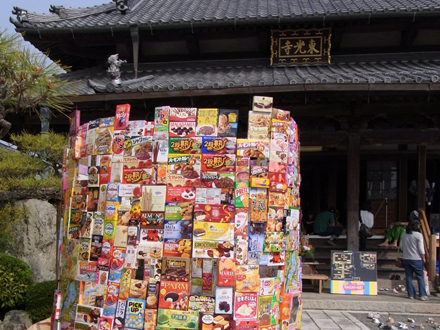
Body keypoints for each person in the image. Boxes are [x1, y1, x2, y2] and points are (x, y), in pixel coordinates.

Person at [399, 219, 428, 300]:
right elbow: (421, 249)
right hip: (416, 259)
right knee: (420, 276)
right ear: (416, 226)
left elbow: (401, 246)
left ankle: (411, 294)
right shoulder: (418, 235)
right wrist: (423, 257)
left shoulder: (403, 234)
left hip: (406, 258)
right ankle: (422, 295)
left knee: (408, 276)